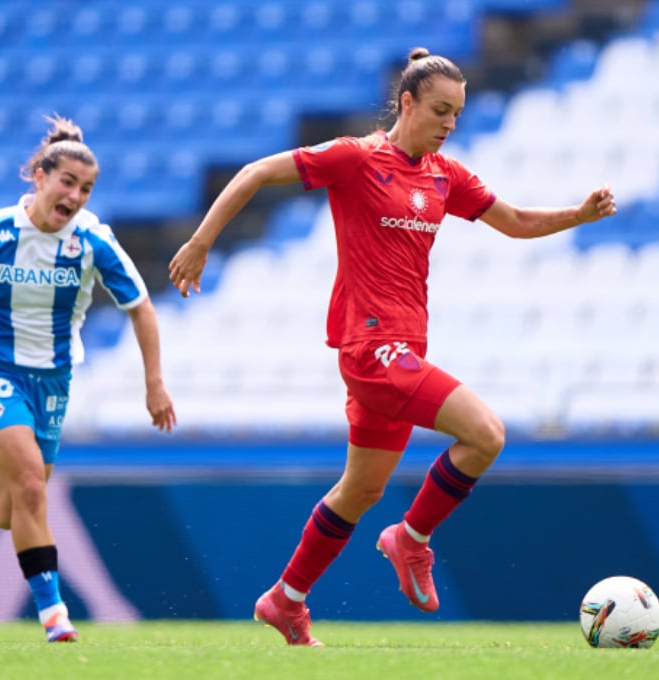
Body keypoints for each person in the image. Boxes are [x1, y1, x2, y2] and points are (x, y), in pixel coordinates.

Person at [168, 48, 617, 646]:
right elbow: (253, 173)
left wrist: (578, 216)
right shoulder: (355, 158)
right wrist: (201, 242)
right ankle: (411, 539)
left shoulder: (444, 175)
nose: (449, 124)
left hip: (401, 349)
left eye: (456, 114)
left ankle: (286, 599)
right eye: (439, 111)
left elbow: (515, 222)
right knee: (486, 434)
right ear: (406, 104)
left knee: (360, 490)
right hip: (372, 348)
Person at [0, 115, 177, 643]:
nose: (75, 195)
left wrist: (154, 383)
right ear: (40, 177)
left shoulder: (93, 242)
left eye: (86, 189)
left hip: (52, 382)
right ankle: (54, 614)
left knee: (8, 507)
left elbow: (141, 308)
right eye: (67, 182)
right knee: (29, 484)